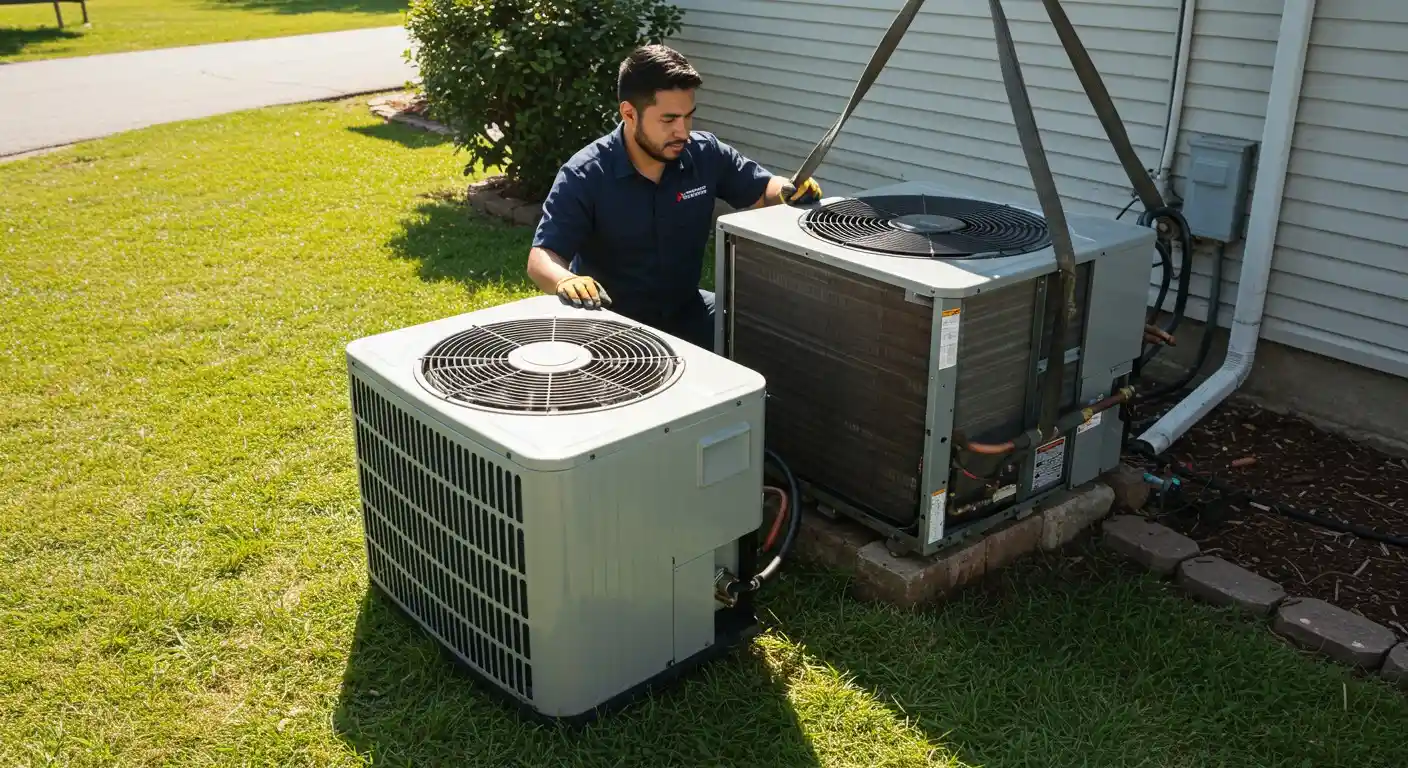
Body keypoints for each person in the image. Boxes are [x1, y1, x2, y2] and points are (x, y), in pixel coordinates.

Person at [526, 43, 822, 351]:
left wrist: (789, 188)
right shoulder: (585, 173)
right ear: (629, 113)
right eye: (668, 120)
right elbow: (542, 257)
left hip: (687, 309)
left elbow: (762, 190)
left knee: (769, 336)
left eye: (688, 116)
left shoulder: (705, 153)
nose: (683, 131)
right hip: (612, 322)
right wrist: (564, 280)